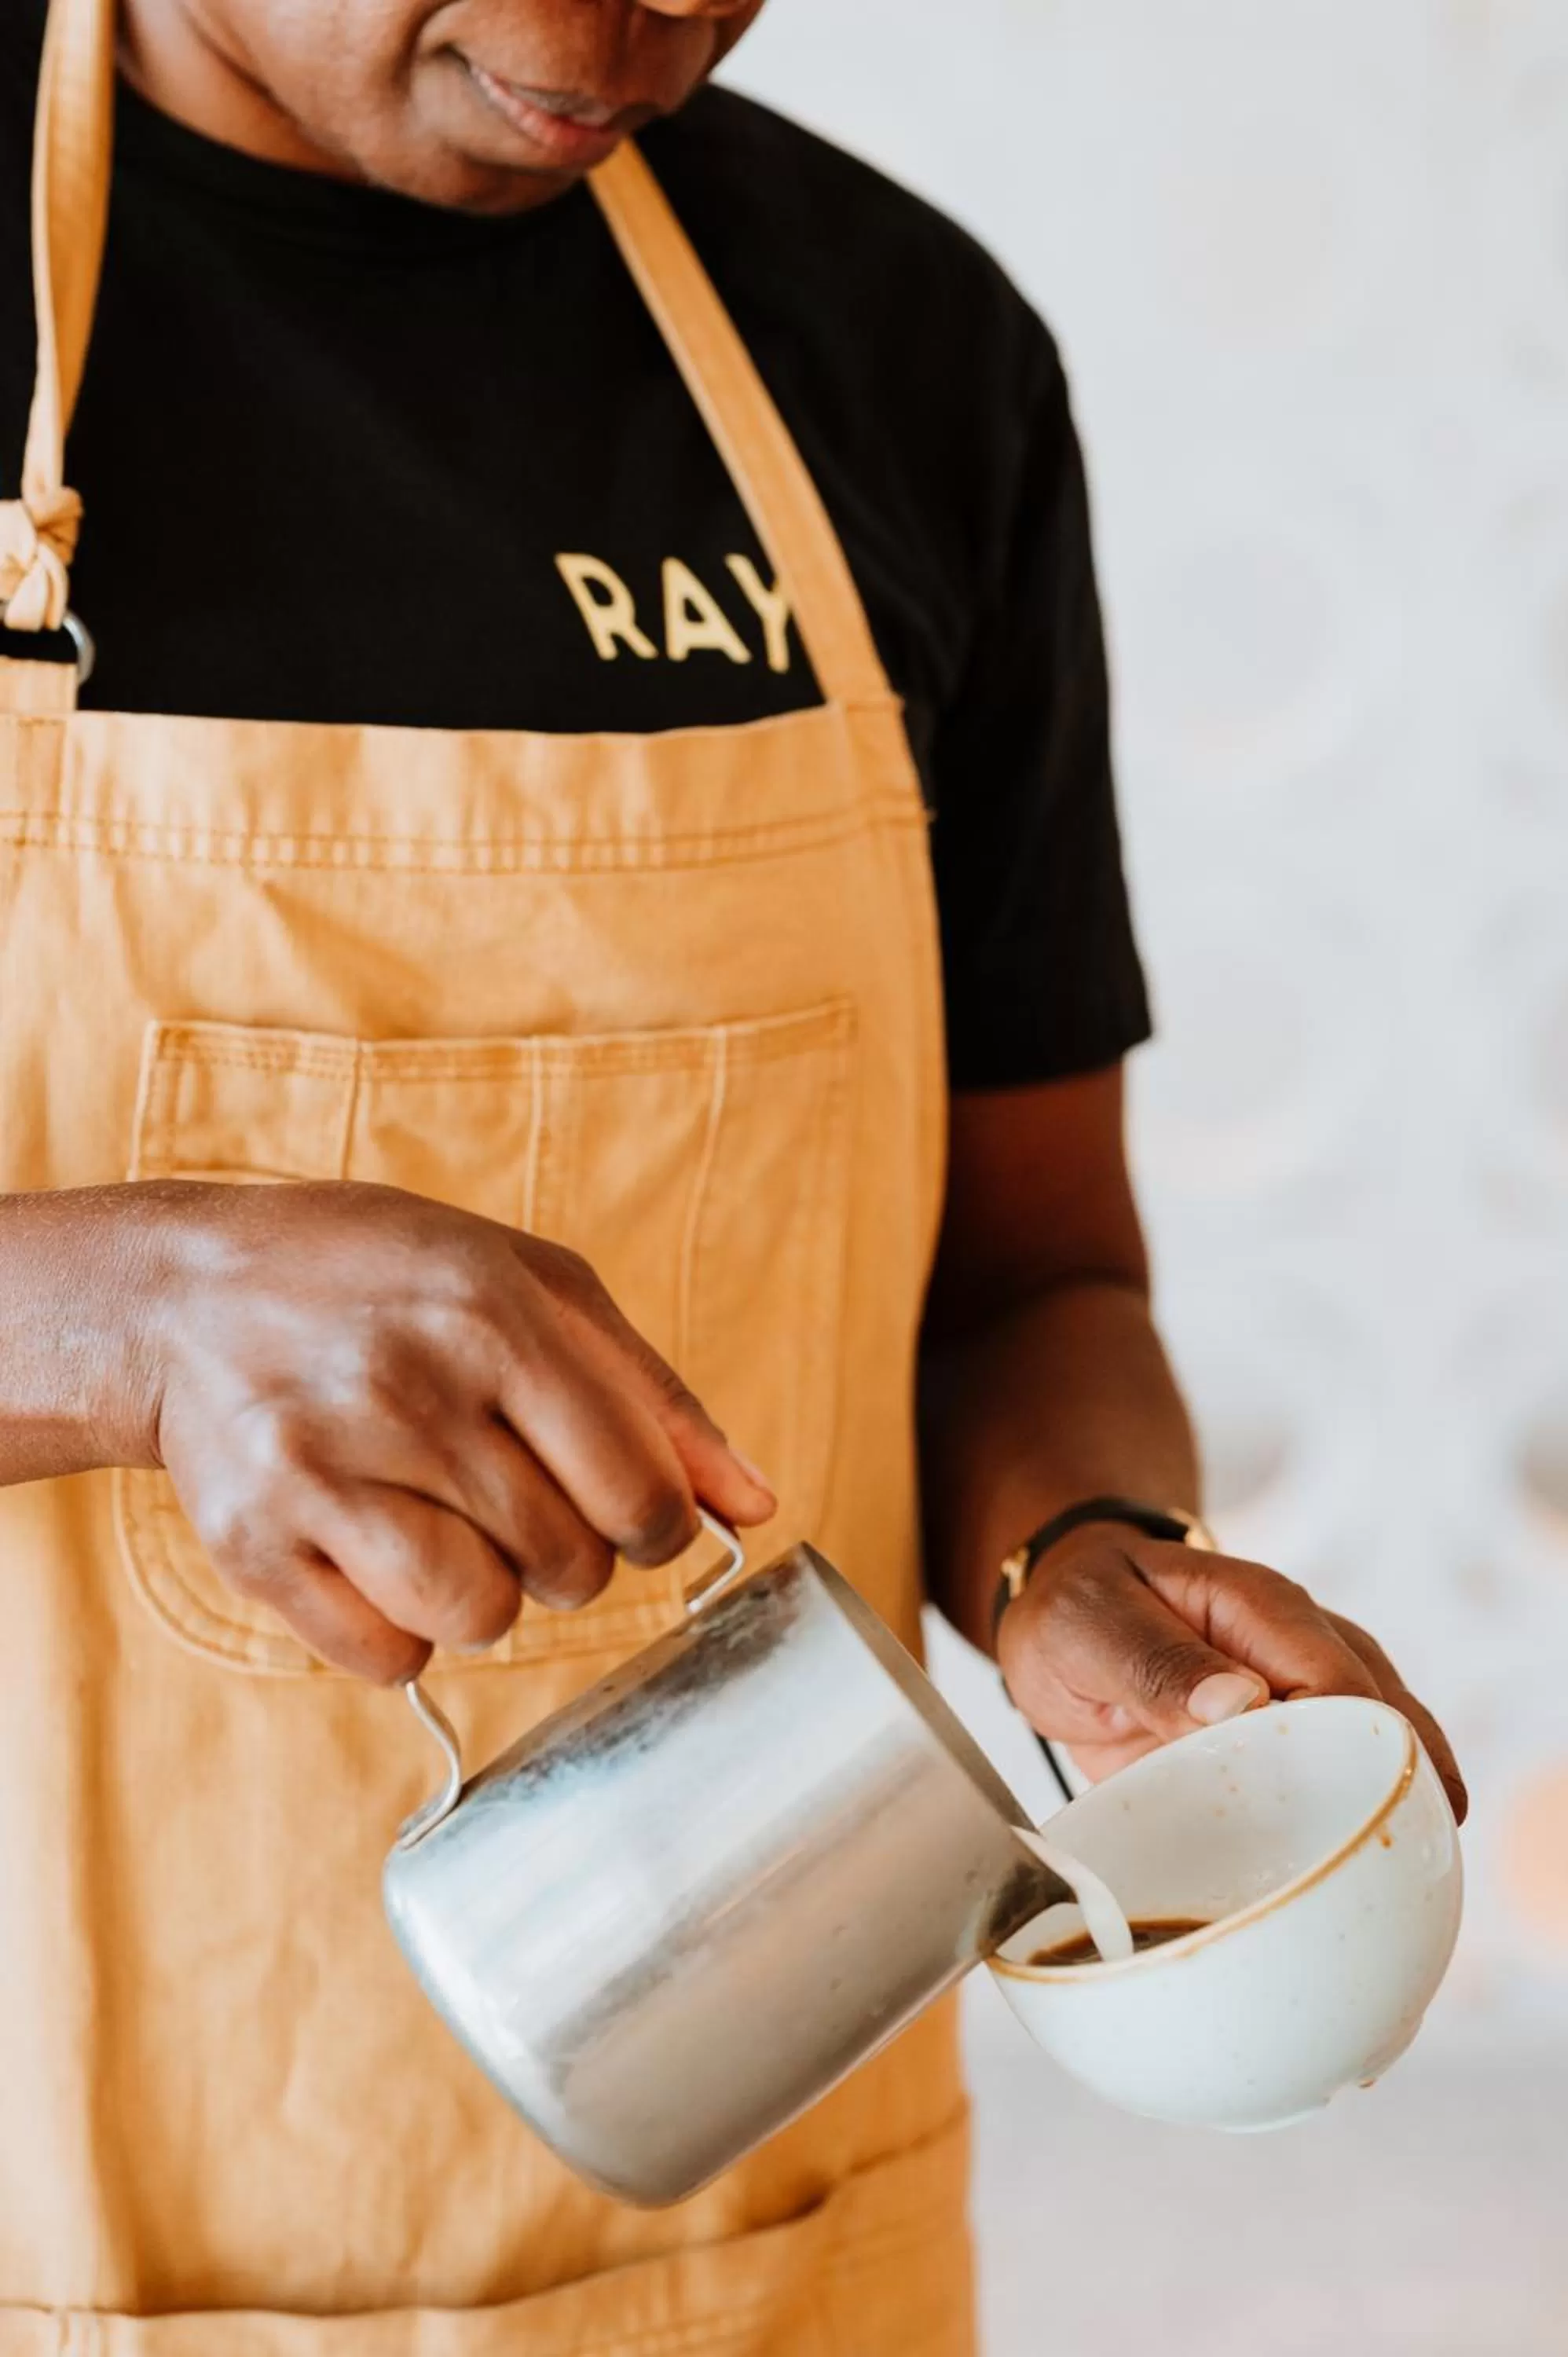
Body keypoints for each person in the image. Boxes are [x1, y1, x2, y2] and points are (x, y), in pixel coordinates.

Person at [0, 0, 1465, 2349]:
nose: (614, 32)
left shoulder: (897, 355)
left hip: (743, 2264)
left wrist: (1081, 1563)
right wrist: (126, 1310)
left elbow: (1029, 1279)